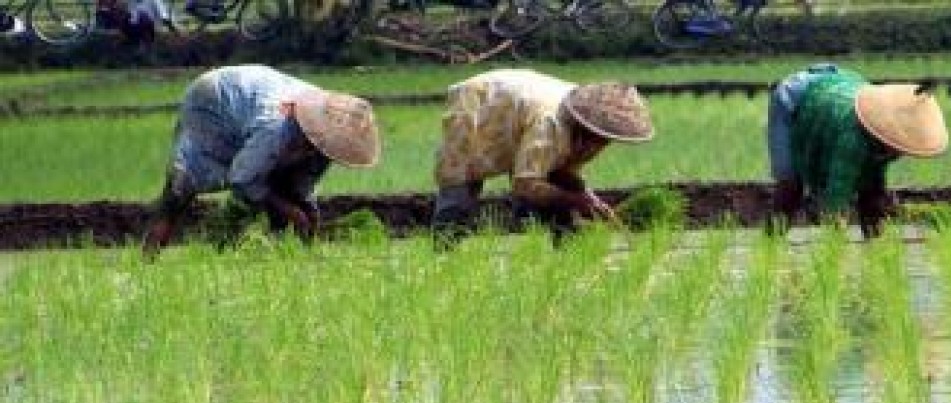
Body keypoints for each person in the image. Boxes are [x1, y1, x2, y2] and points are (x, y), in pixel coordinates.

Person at [144, 65, 381, 252]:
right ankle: (149, 259)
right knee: (180, 189)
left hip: (252, 97)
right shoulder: (275, 126)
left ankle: (279, 255)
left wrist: (307, 210)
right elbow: (242, 178)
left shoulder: (324, 146)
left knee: (283, 191)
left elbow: (302, 185)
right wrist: (290, 211)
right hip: (214, 100)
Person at [431, 69, 654, 235]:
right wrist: (574, 201)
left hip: (519, 110)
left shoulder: (585, 126)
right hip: (479, 105)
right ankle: (444, 251)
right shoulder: (550, 124)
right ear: (586, 128)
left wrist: (587, 197)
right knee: (459, 188)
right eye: (601, 137)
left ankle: (565, 249)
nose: (603, 144)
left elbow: (566, 172)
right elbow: (525, 183)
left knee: (559, 188)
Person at [768, 63, 949, 238]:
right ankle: (771, 242)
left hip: (840, 87)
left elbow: (873, 182)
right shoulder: (853, 138)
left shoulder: (885, 137)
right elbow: (838, 188)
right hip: (795, 97)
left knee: (871, 190)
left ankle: (874, 243)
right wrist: (835, 228)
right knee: (790, 186)